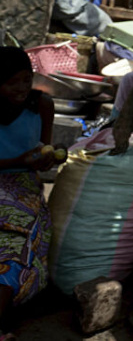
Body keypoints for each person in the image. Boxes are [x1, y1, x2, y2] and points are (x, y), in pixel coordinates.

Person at [0, 48, 55, 338]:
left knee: (16, 241)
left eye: (27, 79)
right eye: (12, 82)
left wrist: (50, 158)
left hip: (24, 186)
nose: (22, 88)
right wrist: (18, 161)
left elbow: (43, 149)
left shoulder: (42, 105)